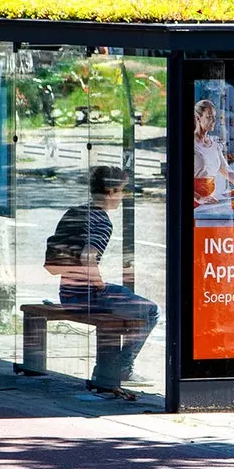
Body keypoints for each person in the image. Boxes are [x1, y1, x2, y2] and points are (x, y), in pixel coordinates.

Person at [44, 166, 158, 389]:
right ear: (110, 191)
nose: (123, 196)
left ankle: (107, 367)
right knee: (151, 311)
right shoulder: (102, 221)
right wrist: (100, 285)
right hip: (87, 295)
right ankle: (122, 367)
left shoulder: (75, 212)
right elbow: (89, 258)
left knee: (128, 302)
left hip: (68, 294)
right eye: (122, 191)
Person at [193, 99, 234, 203]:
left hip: (209, 200)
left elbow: (228, 172)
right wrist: (199, 198)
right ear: (198, 118)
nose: (213, 120)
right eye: (209, 117)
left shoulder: (214, 145)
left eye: (214, 117)